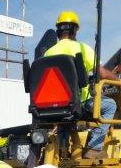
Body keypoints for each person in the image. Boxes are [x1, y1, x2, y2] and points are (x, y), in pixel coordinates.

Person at [44, 11, 119, 159]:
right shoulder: (82, 48)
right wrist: (117, 80)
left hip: (56, 106)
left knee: (64, 115)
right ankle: (94, 148)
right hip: (80, 104)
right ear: (74, 30)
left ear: (58, 30)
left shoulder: (48, 52)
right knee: (110, 105)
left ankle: (63, 149)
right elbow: (102, 74)